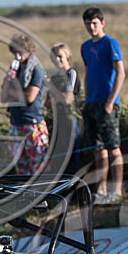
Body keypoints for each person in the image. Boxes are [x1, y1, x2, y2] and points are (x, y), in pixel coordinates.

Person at [80, 7, 126, 205]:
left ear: (102, 23)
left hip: (108, 103)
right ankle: (102, 188)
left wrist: (110, 101)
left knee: (113, 147)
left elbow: (120, 72)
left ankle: (116, 189)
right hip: (92, 102)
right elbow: (88, 72)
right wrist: (86, 97)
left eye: (95, 23)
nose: (91, 27)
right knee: (98, 149)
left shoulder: (110, 43)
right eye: (88, 24)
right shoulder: (85, 46)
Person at [1, 33, 49, 176]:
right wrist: (8, 80)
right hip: (16, 123)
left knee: (37, 166)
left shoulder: (36, 69)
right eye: (14, 52)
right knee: (21, 168)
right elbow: (3, 98)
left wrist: (12, 93)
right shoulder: (15, 69)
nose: (17, 55)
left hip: (32, 122)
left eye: (20, 51)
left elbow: (30, 97)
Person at [48, 43, 82, 172]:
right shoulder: (54, 77)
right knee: (59, 158)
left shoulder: (71, 74)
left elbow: (67, 99)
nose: (57, 60)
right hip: (58, 120)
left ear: (67, 57)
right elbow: (48, 102)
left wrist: (52, 88)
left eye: (60, 56)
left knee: (73, 156)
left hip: (71, 119)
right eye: (54, 57)